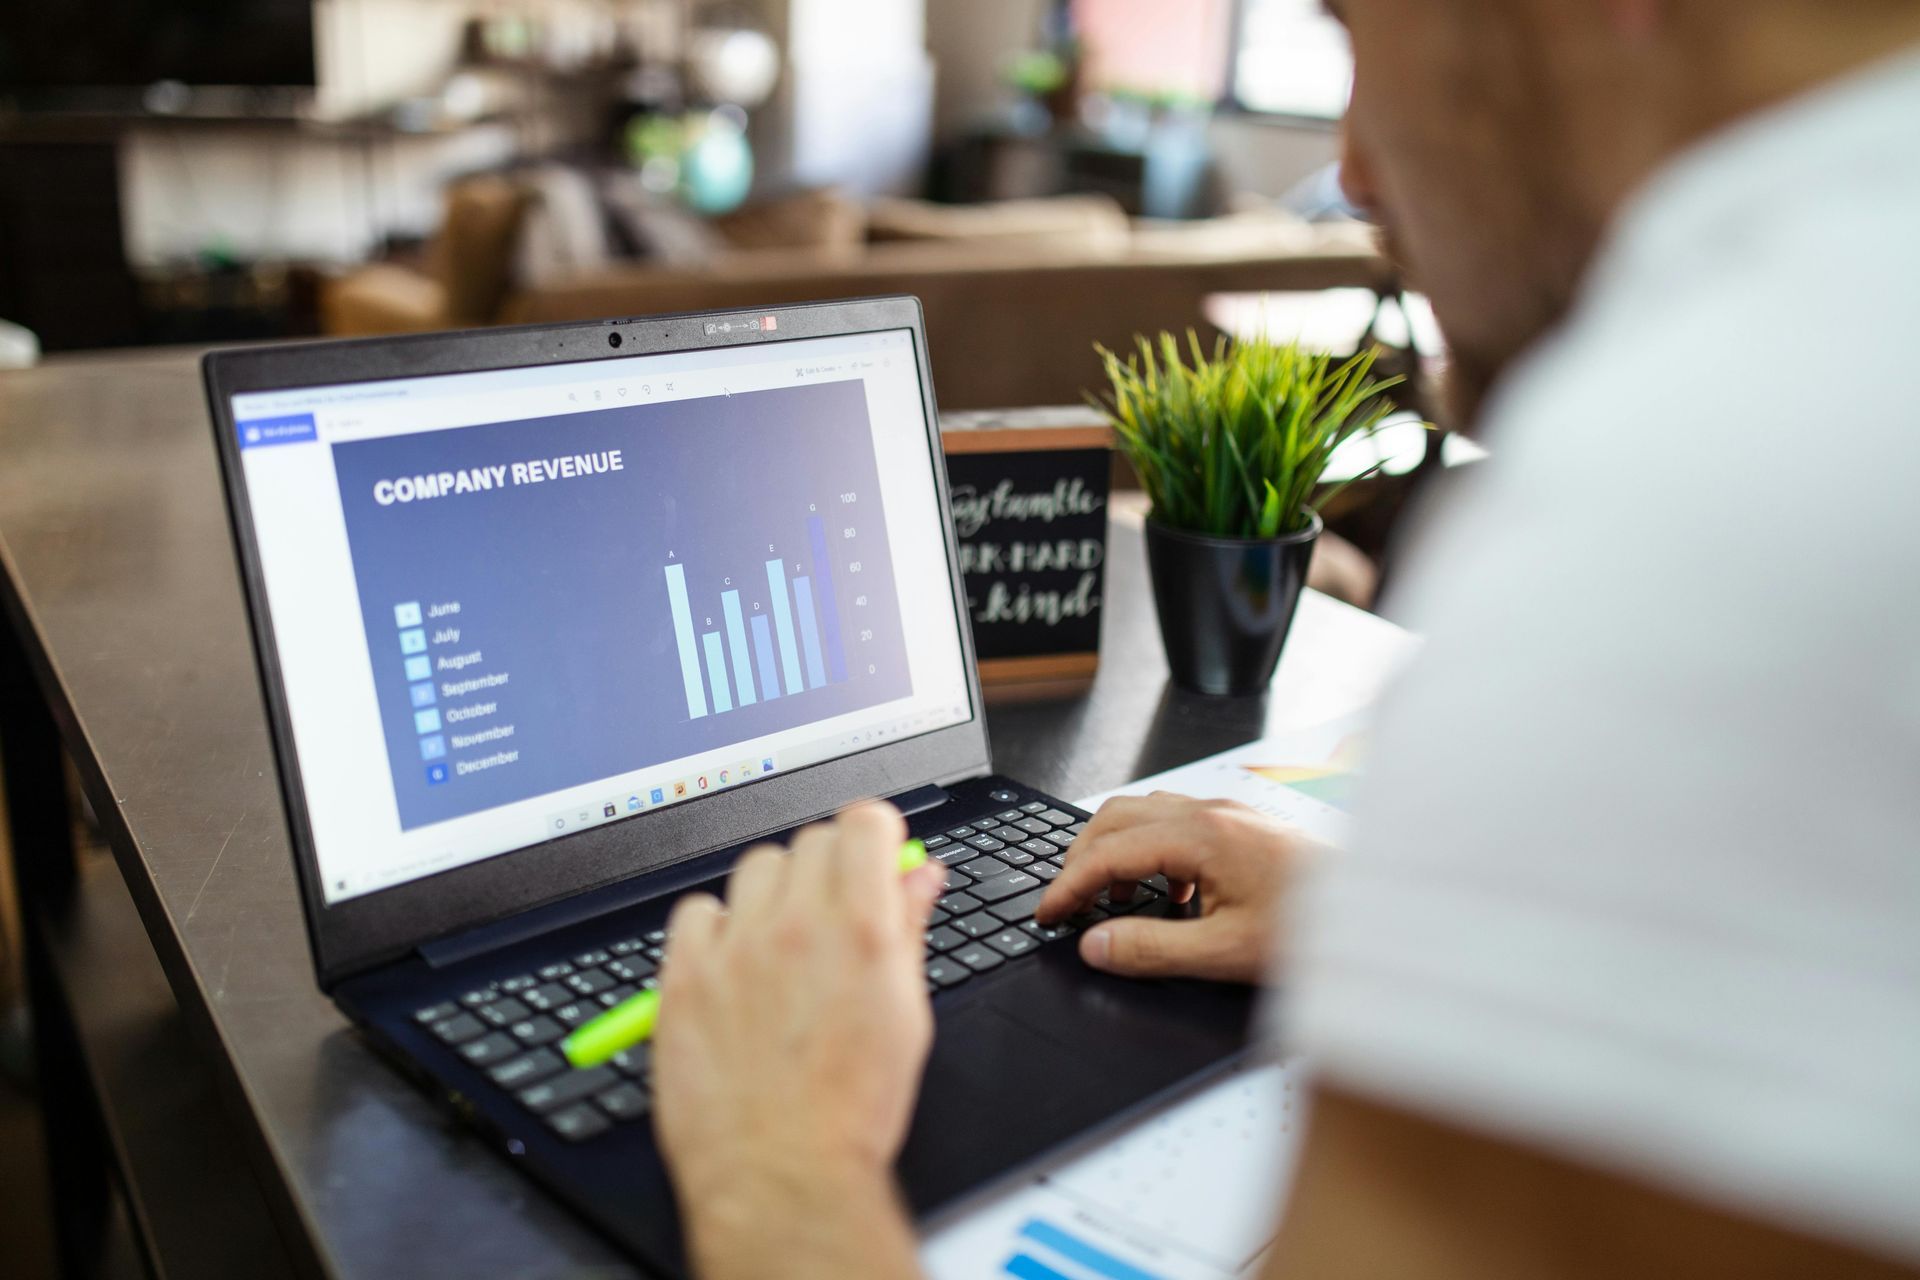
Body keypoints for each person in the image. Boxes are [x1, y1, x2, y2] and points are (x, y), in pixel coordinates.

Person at [650, 1, 1920, 1276]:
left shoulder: (1721, 491)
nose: (1353, 167)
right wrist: (1386, 930)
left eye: (1360, 27)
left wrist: (777, 1162)